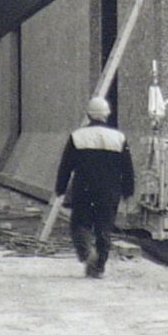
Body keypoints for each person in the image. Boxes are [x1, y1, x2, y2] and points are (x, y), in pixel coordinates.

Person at [54, 95, 135, 277]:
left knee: (80, 224)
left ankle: (86, 253)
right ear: (107, 115)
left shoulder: (77, 136)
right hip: (109, 192)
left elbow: (66, 165)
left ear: (89, 115)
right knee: (104, 228)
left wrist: (60, 188)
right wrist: (128, 191)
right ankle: (99, 268)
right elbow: (127, 168)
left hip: (84, 190)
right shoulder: (119, 138)